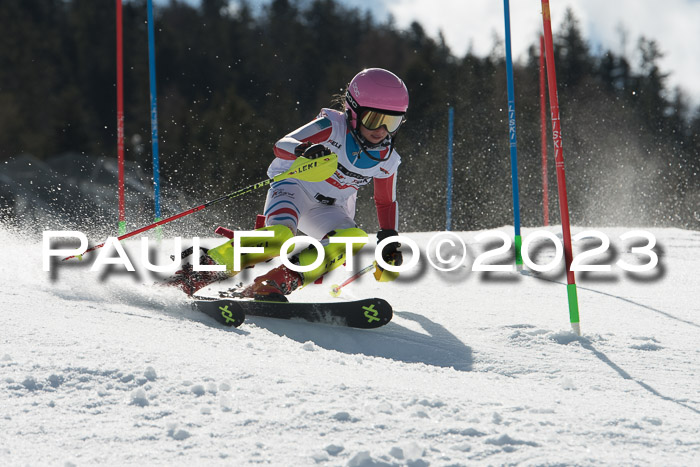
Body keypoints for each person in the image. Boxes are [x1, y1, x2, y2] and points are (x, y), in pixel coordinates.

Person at [170, 68, 408, 300]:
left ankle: (276, 282)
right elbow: (281, 144)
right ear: (353, 111)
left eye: (392, 122)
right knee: (279, 238)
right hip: (294, 188)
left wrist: (389, 241)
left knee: (352, 239)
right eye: (374, 119)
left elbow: (386, 202)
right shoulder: (331, 127)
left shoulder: (388, 159)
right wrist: (303, 149)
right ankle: (198, 272)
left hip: (330, 209)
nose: (382, 130)